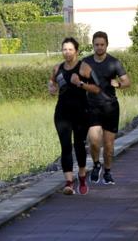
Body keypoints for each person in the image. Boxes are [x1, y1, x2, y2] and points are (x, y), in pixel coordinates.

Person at [48, 37, 101, 195]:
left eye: (70, 49)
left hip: (81, 112)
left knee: (79, 145)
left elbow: (97, 88)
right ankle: (69, 183)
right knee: (65, 146)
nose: (67, 52)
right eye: (65, 49)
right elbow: (52, 82)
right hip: (62, 113)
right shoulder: (57, 68)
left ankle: (82, 176)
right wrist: (51, 87)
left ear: (76, 51)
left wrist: (80, 84)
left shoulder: (84, 68)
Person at [83, 31, 131, 185]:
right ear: (93, 45)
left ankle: (108, 171)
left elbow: (127, 82)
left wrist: (118, 84)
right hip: (91, 107)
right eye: (96, 45)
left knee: (109, 146)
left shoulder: (114, 63)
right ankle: (96, 165)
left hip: (110, 107)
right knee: (94, 141)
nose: (99, 47)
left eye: (102, 45)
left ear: (106, 45)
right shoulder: (86, 62)